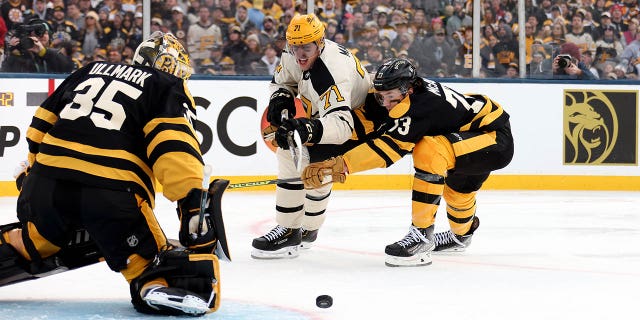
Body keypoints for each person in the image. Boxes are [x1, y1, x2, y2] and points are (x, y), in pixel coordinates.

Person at [0, 31, 229, 317]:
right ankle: (155, 283)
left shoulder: (89, 69)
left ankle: (25, 241)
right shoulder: (165, 85)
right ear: (172, 68)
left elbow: (39, 127)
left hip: (46, 184)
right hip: (111, 193)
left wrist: (34, 174)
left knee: (35, 241)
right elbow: (174, 149)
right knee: (148, 262)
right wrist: (193, 203)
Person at [301, 58, 514, 267]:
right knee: (458, 193)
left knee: (429, 150)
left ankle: (422, 235)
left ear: (408, 90)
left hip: (493, 138)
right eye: (381, 96)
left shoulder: (420, 107)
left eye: (390, 97)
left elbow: (387, 150)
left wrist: (341, 164)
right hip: (467, 133)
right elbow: (370, 124)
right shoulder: (400, 94)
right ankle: (461, 236)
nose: (385, 103)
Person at [251, 13, 373, 259]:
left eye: (306, 47)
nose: (300, 54)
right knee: (316, 170)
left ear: (321, 42)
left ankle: (289, 230)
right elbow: (283, 81)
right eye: (294, 47)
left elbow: (341, 126)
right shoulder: (293, 49)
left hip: (359, 121)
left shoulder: (331, 71)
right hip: (329, 116)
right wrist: (281, 97)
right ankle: (307, 231)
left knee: (302, 159)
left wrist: (308, 129)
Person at [1, 18, 74, 73]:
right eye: (36, 33)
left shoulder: (56, 53)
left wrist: (44, 52)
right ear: (28, 36)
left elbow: (68, 67)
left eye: (44, 33)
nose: (41, 36)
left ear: (50, 36)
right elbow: (6, 75)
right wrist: (13, 53)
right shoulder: (21, 54)